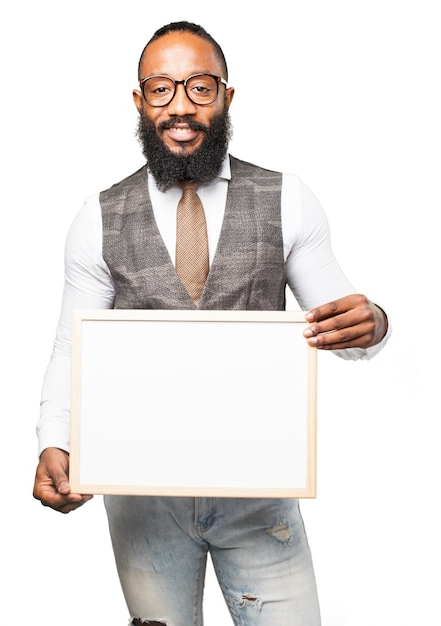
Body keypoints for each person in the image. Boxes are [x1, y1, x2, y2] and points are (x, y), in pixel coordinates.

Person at [33, 20, 390, 626]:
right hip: (142, 496)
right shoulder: (96, 218)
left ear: (227, 96)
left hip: (260, 492)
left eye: (200, 88)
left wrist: (372, 324)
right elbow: (73, 349)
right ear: (140, 102)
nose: (180, 107)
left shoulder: (287, 197)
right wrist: (53, 443)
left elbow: (342, 320)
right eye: (162, 88)